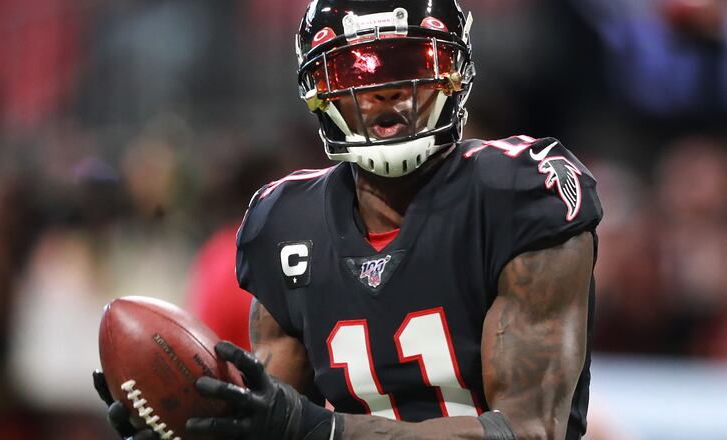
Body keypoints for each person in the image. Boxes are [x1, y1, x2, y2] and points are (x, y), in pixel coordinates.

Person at [94, 1, 602, 439]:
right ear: (321, 92)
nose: (385, 89)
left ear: (454, 71)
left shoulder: (518, 194)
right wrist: (194, 422)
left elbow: (532, 431)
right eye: (356, 72)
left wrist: (322, 429)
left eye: (410, 61)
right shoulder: (284, 224)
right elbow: (270, 424)